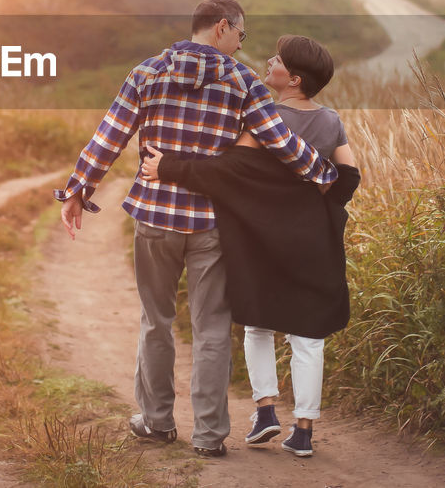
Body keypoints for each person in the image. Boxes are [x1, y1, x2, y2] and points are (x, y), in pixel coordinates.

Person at [56, 0, 337, 458]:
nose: (242, 46)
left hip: (154, 218)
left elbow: (110, 135)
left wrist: (77, 190)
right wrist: (326, 176)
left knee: (156, 323)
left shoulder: (146, 72)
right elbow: (281, 143)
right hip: (212, 224)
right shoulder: (243, 82)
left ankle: (157, 422)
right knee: (211, 331)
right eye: (241, 36)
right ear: (222, 27)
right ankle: (209, 437)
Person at [141, 34, 358, 459]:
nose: (268, 62)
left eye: (276, 60)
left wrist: (168, 167)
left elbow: (230, 170)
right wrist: (311, 200)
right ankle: (304, 431)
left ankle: (265, 412)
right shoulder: (332, 121)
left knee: (258, 325)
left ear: (292, 79)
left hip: (261, 237)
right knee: (308, 336)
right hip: (312, 239)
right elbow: (348, 180)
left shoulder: (264, 116)